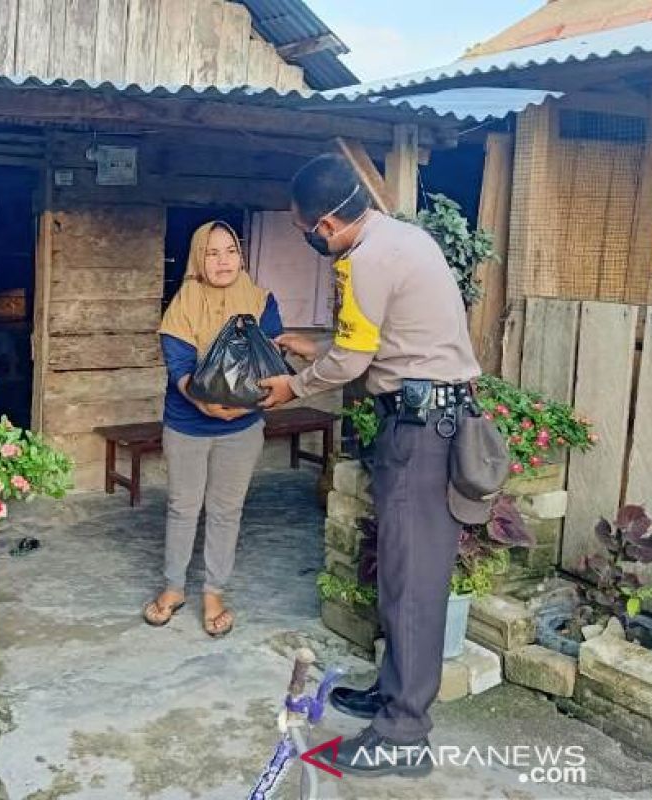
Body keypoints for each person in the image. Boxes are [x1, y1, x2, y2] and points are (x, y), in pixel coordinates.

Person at [260, 154, 482, 778]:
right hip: (426, 419)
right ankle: (393, 694)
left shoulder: (365, 260)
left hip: (420, 432)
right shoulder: (401, 237)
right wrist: (316, 346)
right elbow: (383, 341)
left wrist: (295, 385)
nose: (311, 239)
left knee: (413, 580)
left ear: (327, 223)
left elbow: (354, 363)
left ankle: (404, 734)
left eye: (306, 229)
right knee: (403, 571)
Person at [143, 221, 283, 638]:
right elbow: (180, 369)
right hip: (188, 423)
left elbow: (270, 360)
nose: (223, 261)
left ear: (241, 255)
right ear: (197, 258)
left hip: (243, 426)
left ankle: (214, 592)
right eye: (212, 252)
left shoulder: (260, 301)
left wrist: (257, 401)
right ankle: (173, 588)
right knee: (183, 508)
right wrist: (203, 402)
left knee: (226, 510)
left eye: (230, 251)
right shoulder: (184, 303)